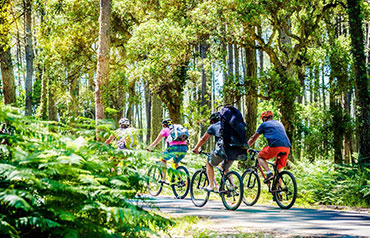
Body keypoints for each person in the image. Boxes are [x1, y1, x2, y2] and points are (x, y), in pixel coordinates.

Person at [193, 112, 234, 192]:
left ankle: (211, 185)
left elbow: (203, 139)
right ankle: (232, 185)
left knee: (209, 162)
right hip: (235, 150)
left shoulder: (213, 126)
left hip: (223, 150)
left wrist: (196, 148)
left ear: (212, 121)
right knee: (224, 167)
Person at [248, 111, 291, 183]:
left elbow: (253, 138)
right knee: (278, 170)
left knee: (260, 156)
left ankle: (269, 173)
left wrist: (246, 147)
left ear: (264, 119)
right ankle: (278, 191)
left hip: (275, 146)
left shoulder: (264, 125)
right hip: (287, 147)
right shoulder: (279, 123)